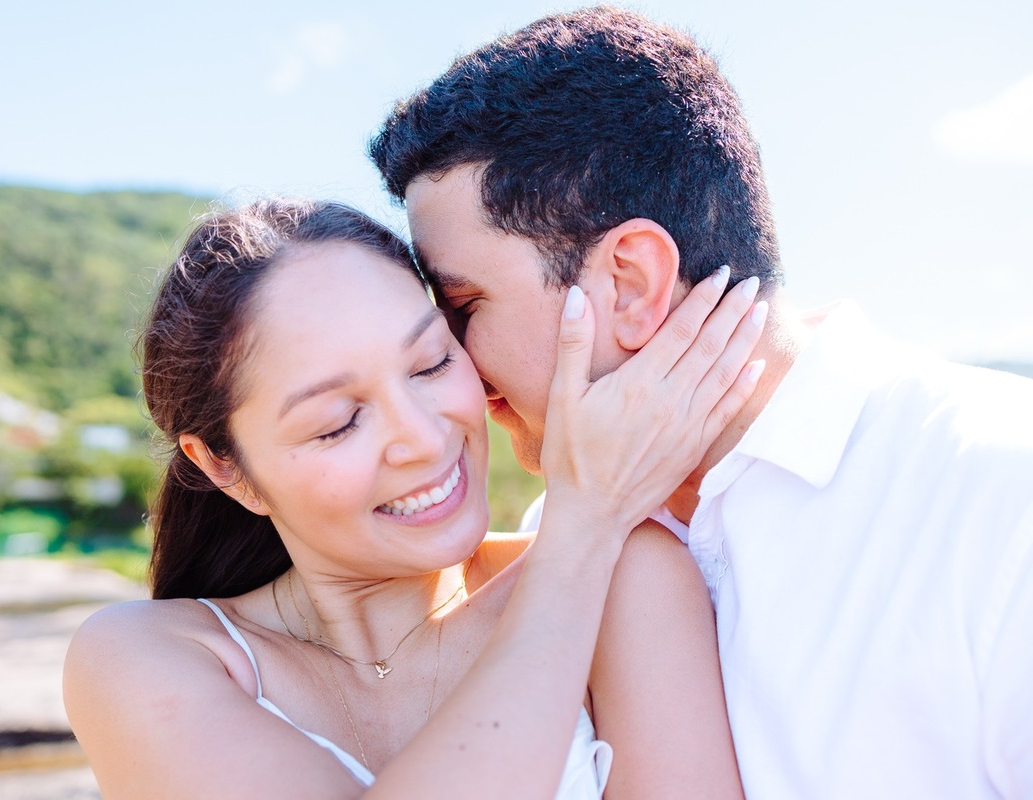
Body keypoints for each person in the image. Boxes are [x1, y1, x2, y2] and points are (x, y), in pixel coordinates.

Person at [369, 6, 1033, 798]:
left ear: (631, 283)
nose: (458, 375)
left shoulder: (999, 495)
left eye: (464, 306)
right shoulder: (566, 536)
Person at [63, 198, 764, 798]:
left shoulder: (627, 578)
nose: (425, 441)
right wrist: (581, 522)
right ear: (226, 469)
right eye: (337, 422)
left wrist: (589, 532)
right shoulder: (148, 659)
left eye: (431, 363)